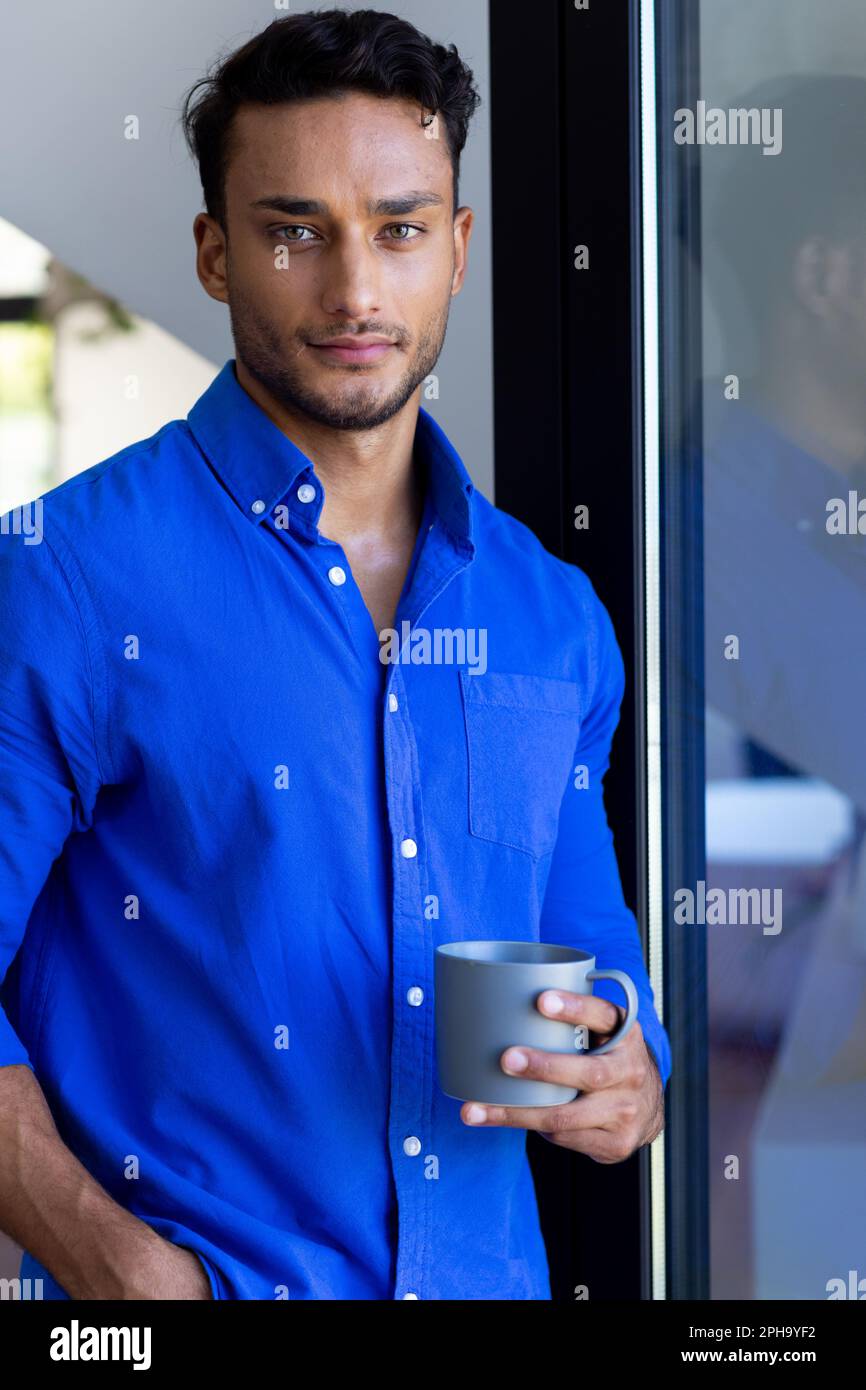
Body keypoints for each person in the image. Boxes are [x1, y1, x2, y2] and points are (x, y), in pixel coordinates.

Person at [0, 8, 668, 1301]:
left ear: (458, 248)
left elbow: (586, 955)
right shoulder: (62, 578)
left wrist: (627, 1066)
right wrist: (121, 1267)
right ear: (212, 252)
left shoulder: (551, 613)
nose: (356, 291)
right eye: (294, 230)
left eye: (399, 229)